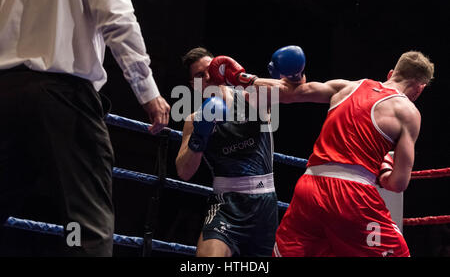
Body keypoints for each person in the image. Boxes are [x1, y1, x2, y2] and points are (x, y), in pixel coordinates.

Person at [0, 0, 170, 256]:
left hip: (6, 96)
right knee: (87, 221)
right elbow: (119, 21)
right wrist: (147, 90)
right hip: (63, 97)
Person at [273, 51, 434, 257]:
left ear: (391, 73)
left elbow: (290, 93)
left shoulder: (348, 86)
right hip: (350, 196)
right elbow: (398, 184)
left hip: (308, 187)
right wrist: (384, 170)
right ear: (420, 88)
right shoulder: (408, 112)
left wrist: (243, 79)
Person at [175, 47, 299, 257]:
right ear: (193, 86)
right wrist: (200, 136)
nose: (207, 77)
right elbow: (184, 172)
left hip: (264, 204)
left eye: (211, 70)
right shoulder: (194, 120)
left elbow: (289, 90)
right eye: (199, 76)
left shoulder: (251, 98)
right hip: (226, 204)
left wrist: (243, 78)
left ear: (222, 71)